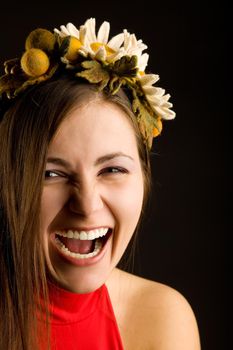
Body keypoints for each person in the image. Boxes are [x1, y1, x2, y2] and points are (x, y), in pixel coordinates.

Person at [0, 18, 201, 350]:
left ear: (144, 179)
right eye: (51, 174)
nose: (87, 204)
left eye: (112, 170)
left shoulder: (163, 319)